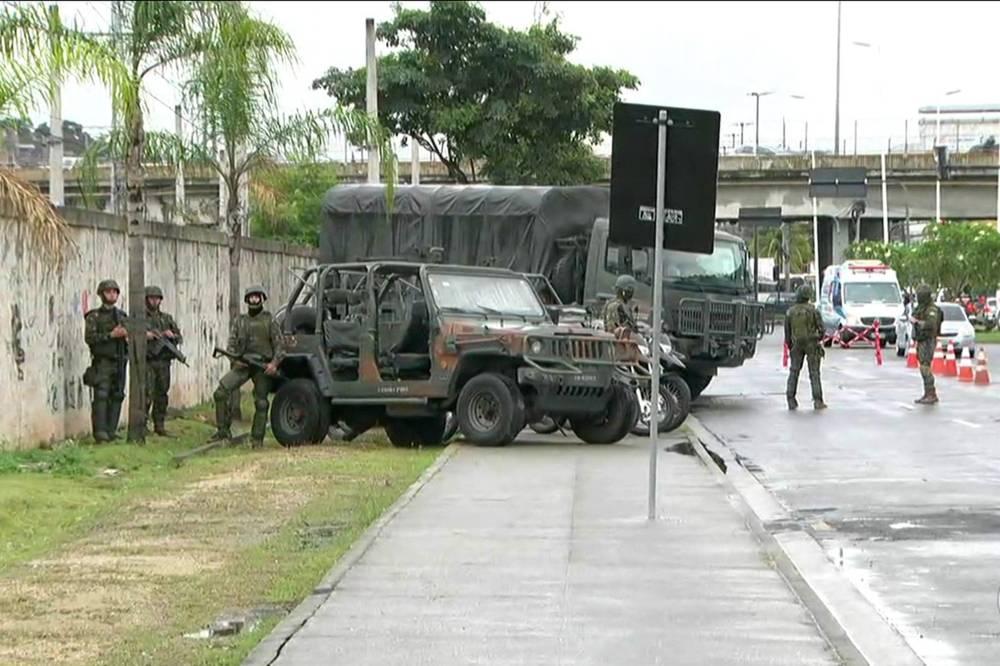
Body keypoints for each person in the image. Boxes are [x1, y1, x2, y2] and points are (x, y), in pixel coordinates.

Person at [210, 285, 284, 448]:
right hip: (243, 364)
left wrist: (274, 364)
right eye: (251, 297)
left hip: (262, 366)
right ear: (247, 300)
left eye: (257, 297)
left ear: (262, 299)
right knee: (220, 393)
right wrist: (235, 360)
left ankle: (257, 439)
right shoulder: (240, 321)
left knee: (261, 402)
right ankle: (222, 431)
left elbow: (280, 346)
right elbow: (231, 345)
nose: (254, 300)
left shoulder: (269, 320)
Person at [84, 279, 129, 442]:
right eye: (108, 291)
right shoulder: (94, 316)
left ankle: (111, 430)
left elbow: (132, 337)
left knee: (117, 394)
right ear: (102, 294)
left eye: (114, 291)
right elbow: (90, 338)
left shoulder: (122, 316)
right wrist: (110, 335)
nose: (112, 294)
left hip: (120, 360)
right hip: (103, 360)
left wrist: (126, 336)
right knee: (101, 395)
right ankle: (100, 432)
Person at [144, 285, 182, 437]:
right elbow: (132, 335)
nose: (154, 301)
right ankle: (142, 425)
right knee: (146, 393)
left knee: (162, 394)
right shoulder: (140, 318)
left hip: (164, 362)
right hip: (148, 361)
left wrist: (171, 335)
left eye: (157, 298)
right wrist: (147, 335)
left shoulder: (167, 318)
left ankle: (159, 425)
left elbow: (180, 337)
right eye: (151, 298)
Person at [784, 284, 827, 410]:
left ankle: (791, 399)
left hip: (796, 344)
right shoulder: (813, 311)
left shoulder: (790, 312)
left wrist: (790, 345)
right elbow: (822, 329)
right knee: (814, 373)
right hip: (812, 343)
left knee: (794, 372)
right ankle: (818, 401)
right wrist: (818, 339)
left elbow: (787, 333)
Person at [910, 283, 942, 405]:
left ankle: (931, 393)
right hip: (922, 339)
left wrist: (917, 322)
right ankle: (927, 392)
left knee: (925, 366)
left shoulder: (931, 309)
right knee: (923, 365)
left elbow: (931, 324)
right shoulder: (921, 308)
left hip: (928, 340)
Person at [603, 274, 639, 339]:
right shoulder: (614, 306)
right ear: (623, 291)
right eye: (630, 291)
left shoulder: (626, 306)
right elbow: (612, 329)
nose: (632, 294)